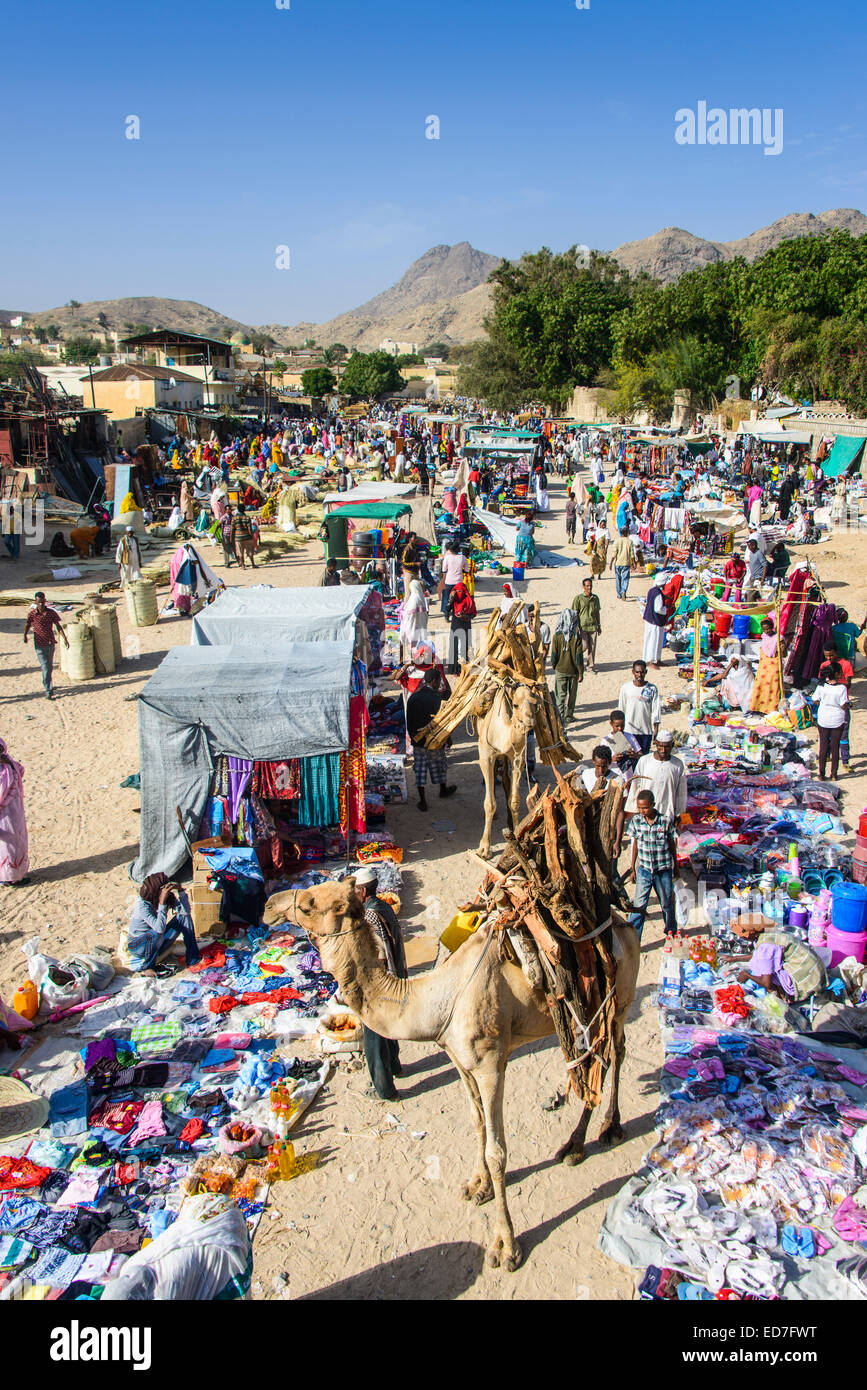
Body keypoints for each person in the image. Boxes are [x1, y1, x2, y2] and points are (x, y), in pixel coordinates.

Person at [353, 866, 407, 1101]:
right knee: (388, 1030)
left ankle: (384, 1089)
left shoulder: (369, 916)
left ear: (363, 890)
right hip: (394, 977)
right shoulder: (382, 907)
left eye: (354, 889)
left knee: (373, 1038)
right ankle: (395, 1066)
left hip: (379, 983)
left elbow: (379, 955)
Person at [625, 790, 678, 939]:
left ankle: (671, 931)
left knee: (667, 903)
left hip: (663, 870)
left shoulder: (665, 821)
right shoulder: (636, 821)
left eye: (645, 808)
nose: (642, 811)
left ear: (653, 805)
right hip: (644, 870)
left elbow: (671, 843)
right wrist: (633, 868)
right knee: (639, 905)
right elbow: (635, 844)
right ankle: (634, 937)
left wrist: (676, 867)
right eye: (639, 808)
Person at [128, 875, 201, 975]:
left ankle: (193, 959)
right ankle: (148, 967)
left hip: (157, 942)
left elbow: (185, 912)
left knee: (184, 918)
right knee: (154, 933)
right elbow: (159, 929)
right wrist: (162, 903)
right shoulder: (143, 906)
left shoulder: (166, 897)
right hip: (139, 946)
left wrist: (180, 891)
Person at [406, 669, 457, 811]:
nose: (440, 683)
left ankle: (422, 801)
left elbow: (409, 722)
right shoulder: (437, 699)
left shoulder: (413, 698)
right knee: (439, 766)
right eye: (439, 680)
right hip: (435, 741)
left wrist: (414, 738)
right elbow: (442, 723)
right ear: (434, 681)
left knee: (420, 770)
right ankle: (443, 789)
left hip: (418, 742)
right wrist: (448, 739)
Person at [626, 731, 687, 821]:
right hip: (645, 813)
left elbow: (681, 792)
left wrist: (679, 813)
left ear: (672, 745)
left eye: (667, 747)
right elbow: (636, 786)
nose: (663, 750)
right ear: (656, 744)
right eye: (660, 746)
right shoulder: (644, 761)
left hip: (667, 813)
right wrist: (634, 809)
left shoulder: (677, 764)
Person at [24, 591, 69, 700]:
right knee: (45, 667)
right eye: (38, 602)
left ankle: (48, 683)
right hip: (39, 644)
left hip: (50, 643)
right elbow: (27, 624)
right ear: (35, 602)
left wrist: (65, 638)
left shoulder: (51, 613)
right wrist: (25, 635)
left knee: (49, 666)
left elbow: (58, 626)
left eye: (42, 602)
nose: (41, 604)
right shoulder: (32, 614)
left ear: (45, 601)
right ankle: (48, 690)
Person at [0, 738, 30, 886]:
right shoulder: (8, 766)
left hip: (6, 815)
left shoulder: (5, 770)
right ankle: (13, 877)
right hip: (11, 814)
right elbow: (21, 769)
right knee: (13, 844)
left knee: (6, 845)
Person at [814, 662, 849, 781]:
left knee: (823, 747)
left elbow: (815, 700)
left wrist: (824, 703)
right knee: (835, 747)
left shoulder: (821, 686)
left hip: (823, 718)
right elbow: (843, 705)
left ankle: (821, 774)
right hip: (837, 719)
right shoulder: (842, 688)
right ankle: (834, 774)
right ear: (837, 674)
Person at [618, 661, 661, 754]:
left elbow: (655, 711)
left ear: (646, 672)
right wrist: (619, 731)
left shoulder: (652, 689)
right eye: (637, 672)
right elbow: (621, 710)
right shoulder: (626, 688)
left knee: (643, 759)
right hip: (629, 731)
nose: (639, 675)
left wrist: (656, 729)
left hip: (645, 732)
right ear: (633, 672)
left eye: (642, 672)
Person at [551, 607, 584, 727]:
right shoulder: (576, 637)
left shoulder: (557, 636)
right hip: (574, 671)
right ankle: (569, 715)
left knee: (560, 695)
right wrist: (581, 673)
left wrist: (555, 666)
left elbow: (554, 655)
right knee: (572, 694)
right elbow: (579, 658)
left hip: (560, 670)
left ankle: (560, 718)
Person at [749, 618, 783, 714]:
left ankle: (771, 709)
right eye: (764, 629)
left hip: (774, 666)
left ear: (772, 627)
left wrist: (782, 648)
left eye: (768, 629)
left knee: (773, 687)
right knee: (760, 685)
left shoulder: (779, 638)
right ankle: (759, 707)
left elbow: (783, 654)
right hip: (763, 666)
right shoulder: (764, 637)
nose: (766, 631)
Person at [572, 577, 601, 673]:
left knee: (592, 648)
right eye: (587, 586)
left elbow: (597, 612)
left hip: (593, 626)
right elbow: (574, 613)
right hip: (582, 627)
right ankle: (576, 662)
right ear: (583, 587)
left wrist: (599, 625)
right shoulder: (578, 599)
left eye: (590, 586)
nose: (589, 588)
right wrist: (575, 627)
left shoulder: (595, 598)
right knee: (583, 646)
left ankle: (590, 667)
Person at [446, 580, 476, 674]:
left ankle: (464, 668)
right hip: (456, 625)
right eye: (457, 591)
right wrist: (450, 599)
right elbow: (447, 609)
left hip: (465, 625)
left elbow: (473, 613)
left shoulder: (469, 600)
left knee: (464, 646)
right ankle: (455, 670)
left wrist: (465, 616)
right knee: (455, 646)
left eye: (460, 591)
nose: (459, 593)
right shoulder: (454, 600)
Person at [642, 581, 668, 668]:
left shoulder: (652, 590)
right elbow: (658, 609)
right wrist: (666, 608)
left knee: (656, 640)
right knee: (654, 641)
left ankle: (657, 659)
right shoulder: (658, 594)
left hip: (650, 619)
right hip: (655, 620)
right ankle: (651, 660)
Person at [438, 541, 468, 616]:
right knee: (458, 598)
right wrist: (461, 570)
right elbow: (467, 570)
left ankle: (446, 614)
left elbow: (444, 570)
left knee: (447, 597)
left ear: (451, 550)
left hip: (449, 581)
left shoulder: (447, 557)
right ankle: (457, 612)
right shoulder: (463, 558)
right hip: (459, 581)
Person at [608, 528, 635, 600]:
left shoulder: (616, 541)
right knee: (625, 579)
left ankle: (619, 594)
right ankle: (623, 591)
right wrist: (633, 563)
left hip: (618, 563)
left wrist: (611, 563)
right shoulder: (630, 542)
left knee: (618, 579)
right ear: (627, 533)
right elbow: (632, 554)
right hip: (626, 563)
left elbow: (614, 553)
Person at [233, 504, 257, 570]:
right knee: (250, 551)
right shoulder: (247, 518)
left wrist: (231, 538)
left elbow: (232, 529)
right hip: (247, 537)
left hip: (238, 537)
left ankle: (243, 566)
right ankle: (253, 564)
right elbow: (249, 528)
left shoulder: (234, 518)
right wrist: (251, 536)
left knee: (240, 552)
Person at [743, 539, 765, 603]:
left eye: (749, 546)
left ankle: (750, 608)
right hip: (752, 576)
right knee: (752, 593)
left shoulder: (759, 554)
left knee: (751, 595)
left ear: (754, 546)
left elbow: (765, 565)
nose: (749, 548)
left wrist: (762, 579)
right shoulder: (752, 553)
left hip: (758, 577)